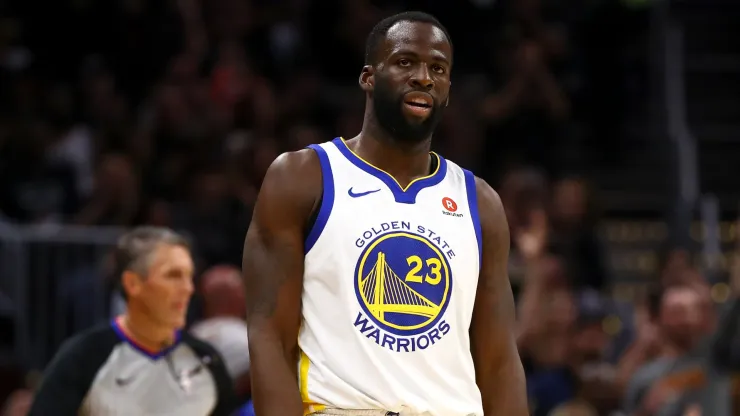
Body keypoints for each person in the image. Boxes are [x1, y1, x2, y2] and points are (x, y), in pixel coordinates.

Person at [242, 11, 527, 416]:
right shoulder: (304, 178)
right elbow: (269, 335)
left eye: (438, 68)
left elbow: (499, 362)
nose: (424, 77)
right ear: (368, 77)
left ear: (447, 89)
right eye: (406, 62)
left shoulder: (480, 202)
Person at [28, 226, 238, 416]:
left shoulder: (206, 360)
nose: (188, 288)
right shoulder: (84, 358)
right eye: (173, 276)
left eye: (189, 276)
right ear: (133, 283)